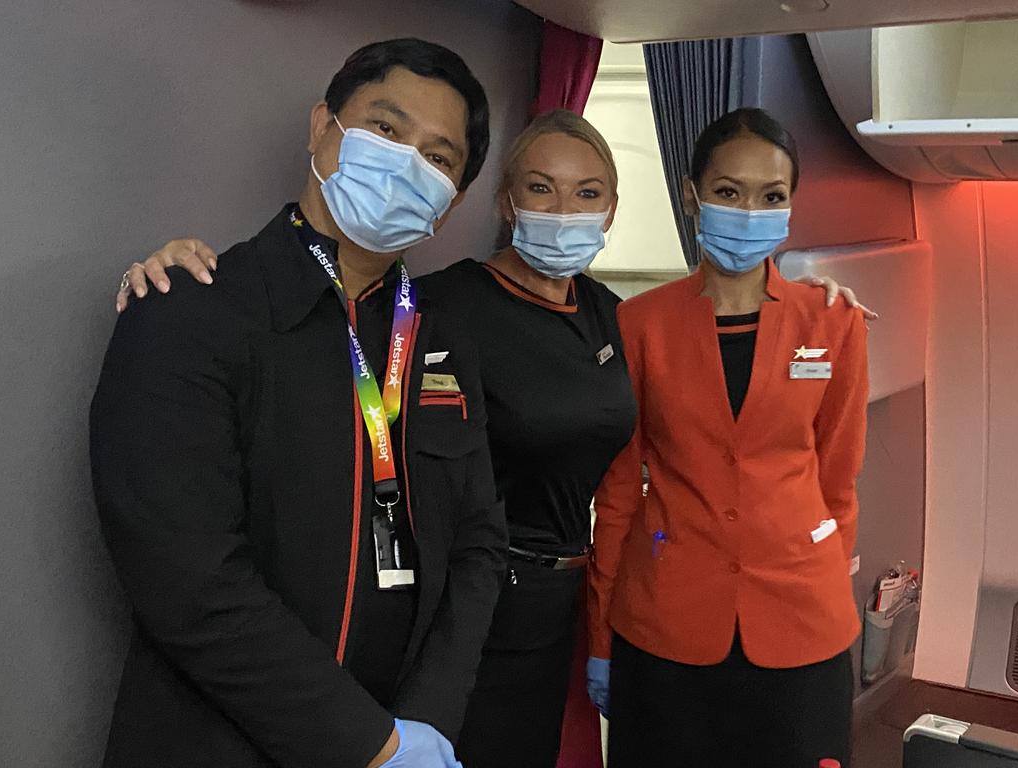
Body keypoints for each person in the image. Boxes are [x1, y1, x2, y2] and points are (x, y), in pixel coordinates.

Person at [114, 110, 870, 765]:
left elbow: (822, 480)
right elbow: (338, 316)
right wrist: (192, 266)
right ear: (507, 201)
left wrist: (816, 304)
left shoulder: (615, 315)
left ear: (611, 213)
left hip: (568, 602)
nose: (564, 211)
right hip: (466, 602)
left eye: (587, 194)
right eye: (541, 189)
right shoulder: (447, 304)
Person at [90, 38, 507, 768]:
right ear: (322, 127)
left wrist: (427, 725)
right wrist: (368, 745)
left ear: (455, 200)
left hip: (405, 735)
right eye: (384, 129)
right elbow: (188, 578)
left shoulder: (438, 337)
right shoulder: (190, 311)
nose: (407, 162)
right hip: (218, 741)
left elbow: (477, 542)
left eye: (438, 159)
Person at [586, 107, 868, 768]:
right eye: (728, 192)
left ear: (792, 205)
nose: (749, 212)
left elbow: (838, 480)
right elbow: (620, 494)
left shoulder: (833, 322)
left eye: (770, 197)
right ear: (692, 195)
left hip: (802, 622)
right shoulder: (640, 324)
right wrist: (601, 633)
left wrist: (827, 589)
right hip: (668, 620)